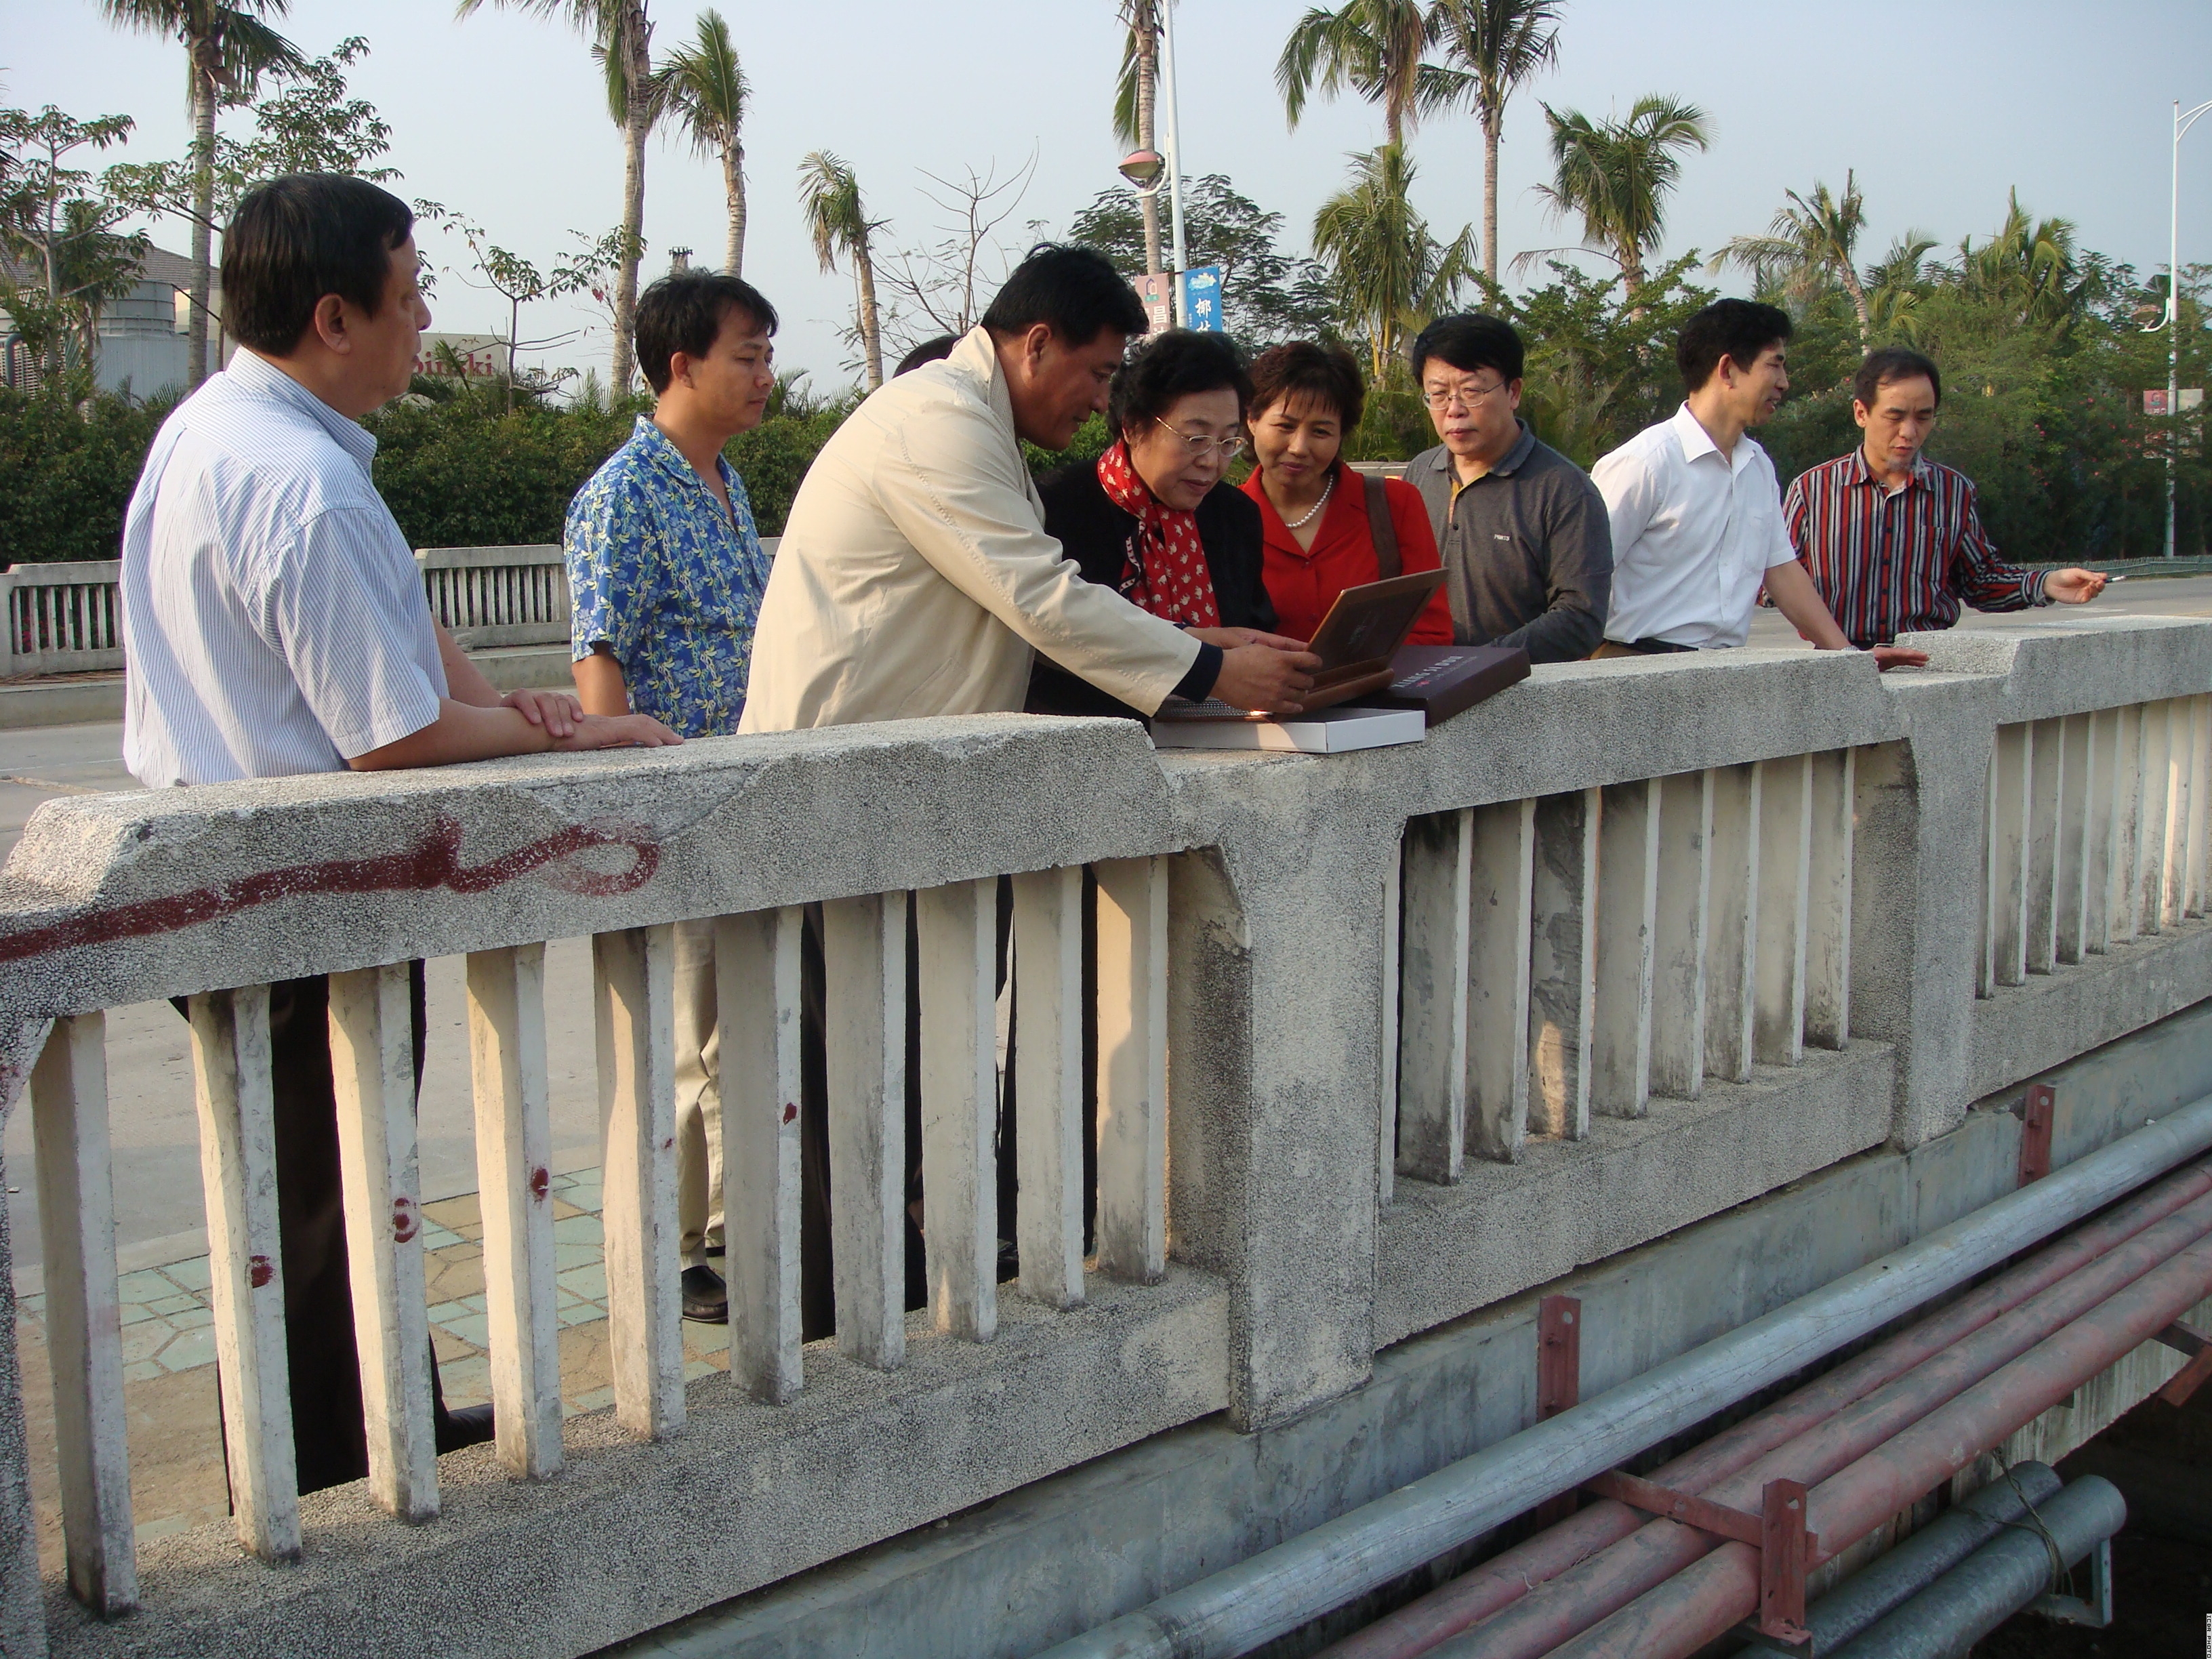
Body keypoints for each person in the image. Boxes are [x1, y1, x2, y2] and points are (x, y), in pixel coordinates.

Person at [120, 175, 679, 1494]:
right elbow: (392, 736)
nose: (424, 322)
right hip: (300, 893)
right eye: (410, 297)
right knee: (317, 1199)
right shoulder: (303, 482)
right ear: (334, 317)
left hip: (236, 877)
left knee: (321, 1182)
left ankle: (381, 1419)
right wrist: (564, 739)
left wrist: (517, 710)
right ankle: (328, 1470)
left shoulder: (219, 434)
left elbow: (410, 652)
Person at [737, 242, 1319, 734]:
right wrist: (1211, 670)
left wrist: (1195, 642)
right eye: (1099, 374)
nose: (1102, 402)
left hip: (888, 759)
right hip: (832, 762)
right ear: (1037, 345)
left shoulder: (981, 426)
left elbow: (1028, 618)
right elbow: (1038, 597)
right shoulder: (938, 420)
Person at [564, 268, 781, 1325]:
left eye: (769, 356)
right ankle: (684, 1249)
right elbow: (597, 658)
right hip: (674, 810)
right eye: (747, 357)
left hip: (743, 795)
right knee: (690, 1040)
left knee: (736, 1029)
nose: (766, 376)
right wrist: (633, 816)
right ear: (682, 365)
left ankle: (732, 1227)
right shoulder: (624, 493)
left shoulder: (725, 483)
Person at [1591, 298, 1927, 670]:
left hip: (1726, 672)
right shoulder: (1645, 463)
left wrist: (1849, 658)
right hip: (1635, 666)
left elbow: (1781, 570)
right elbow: (1579, 575)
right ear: (1728, 370)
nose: (1784, 382)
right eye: (1774, 364)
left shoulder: (1758, 467)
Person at [1030, 329, 1311, 718]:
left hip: (1222, 735)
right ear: (1133, 426)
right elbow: (1051, 638)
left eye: (1228, 443)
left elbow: (1254, 629)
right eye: (1195, 439)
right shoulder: (1055, 507)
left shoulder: (1235, 514)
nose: (1211, 462)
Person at [1785, 346, 2107, 647]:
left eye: (1923, 417)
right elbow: (1775, 581)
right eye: (1895, 417)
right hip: (1841, 660)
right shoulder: (1813, 490)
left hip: (1927, 660)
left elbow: (1980, 581)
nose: (1909, 432)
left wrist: (2047, 583)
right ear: (1861, 413)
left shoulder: (1953, 492)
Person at [1403, 314, 1611, 661]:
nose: (1454, 410)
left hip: (1518, 688)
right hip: (1419, 683)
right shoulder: (1420, 473)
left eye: (1471, 392)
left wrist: (1478, 666)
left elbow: (1580, 619)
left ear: (1513, 392)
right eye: (1438, 395)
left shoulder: (1565, 490)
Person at [1240, 340, 1454, 647]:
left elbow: (1432, 633)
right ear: (1252, 420)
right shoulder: (1222, 519)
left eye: (1321, 431)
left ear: (1341, 434)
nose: (1299, 447)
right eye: (1285, 426)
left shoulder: (1395, 504)